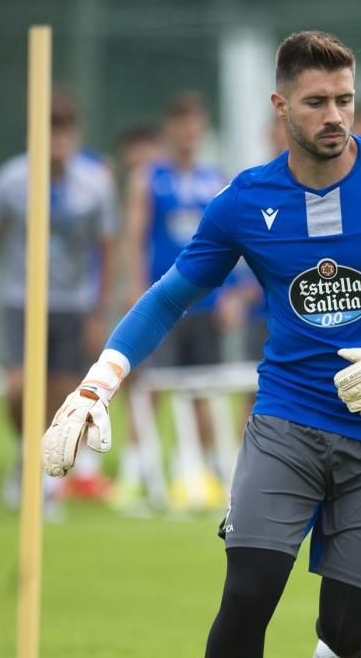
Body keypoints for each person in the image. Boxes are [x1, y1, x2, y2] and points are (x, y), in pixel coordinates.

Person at [42, 31, 361, 657]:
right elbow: (170, 295)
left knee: (349, 629)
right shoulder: (244, 201)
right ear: (280, 109)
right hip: (287, 422)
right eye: (315, 102)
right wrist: (99, 382)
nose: (334, 116)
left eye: (344, 99)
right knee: (248, 592)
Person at [0, 90, 118, 513]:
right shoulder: (10, 180)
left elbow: (108, 246)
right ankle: (26, 453)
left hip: (73, 304)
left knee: (59, 401)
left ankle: (43, 485)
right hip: (22, 300)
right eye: (49, 131)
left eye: (65, 131)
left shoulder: (95, 183)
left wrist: (98, 310)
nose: (57, 141)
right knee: (19, 389)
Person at [121, 92, 228, 508]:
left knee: (203, 387)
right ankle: (136, 470)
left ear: (202, 130)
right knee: (150, 385)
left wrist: (231, 293)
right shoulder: (149, 178)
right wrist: (134, 287)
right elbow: (134, 235)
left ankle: (200, 468)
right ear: (170, 129)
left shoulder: (215, 178)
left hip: (203, 302)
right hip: (163, 300)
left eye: (194, 125)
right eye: (180, 125)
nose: (187, 134)